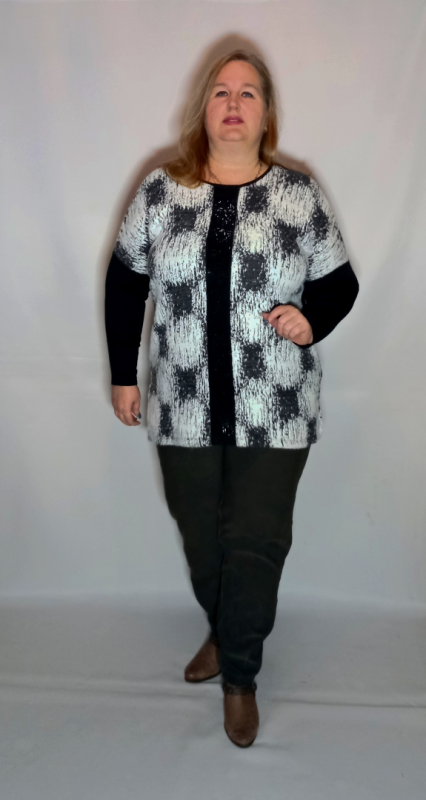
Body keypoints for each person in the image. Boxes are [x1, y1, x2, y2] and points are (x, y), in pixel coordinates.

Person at [104, 49, 359, 748]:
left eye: (249, 92)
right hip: (182, 403)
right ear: (204, 109)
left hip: (276, 408)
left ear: (266, 112)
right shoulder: (161, 191)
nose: (235, 102)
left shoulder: (298, 195)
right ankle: (224, 629)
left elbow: (339, 282)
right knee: (201, 534)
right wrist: (124, 375)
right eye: (221, 91)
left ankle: (240, 676)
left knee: (256, 540)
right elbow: (125, 283)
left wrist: (312, 320)